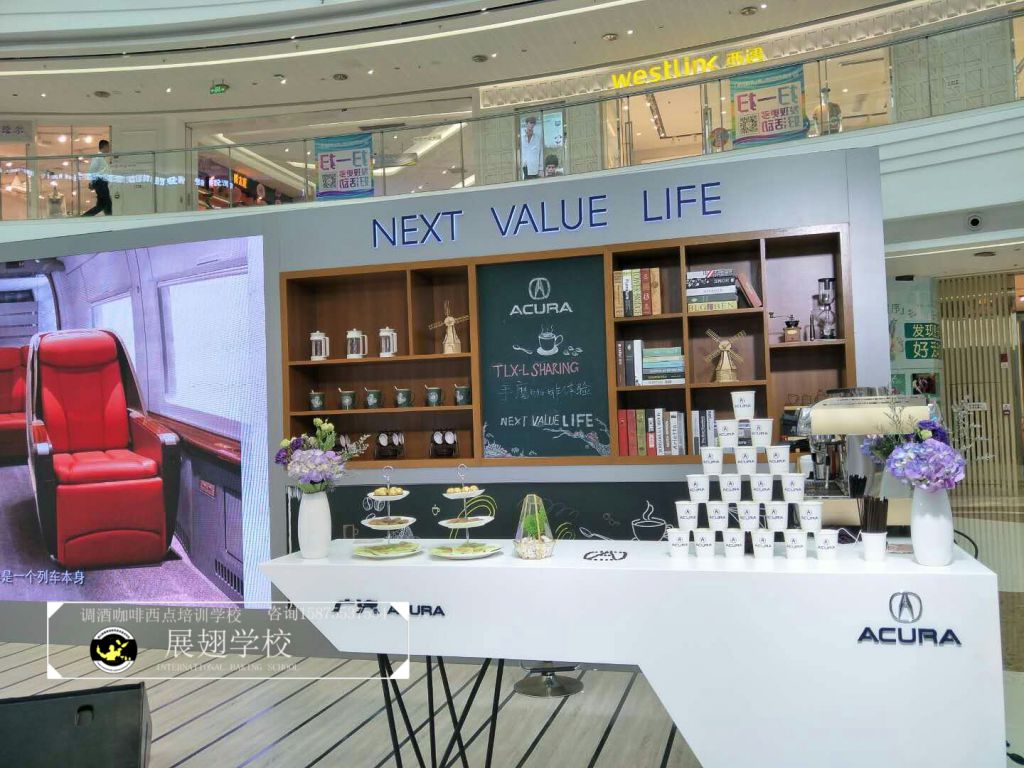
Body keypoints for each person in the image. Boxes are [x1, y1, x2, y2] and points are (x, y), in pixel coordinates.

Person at [82, 139, 112, 216]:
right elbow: (92, 170)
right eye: (108, 147)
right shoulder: (98, 157)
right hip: (100, 182)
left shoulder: (102, 158)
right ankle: (110, 218)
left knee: (101, 205)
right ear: (105, 146)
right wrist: (92, 182)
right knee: (107, 202)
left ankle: (85, 216)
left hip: (102, 182)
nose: (109, 149)